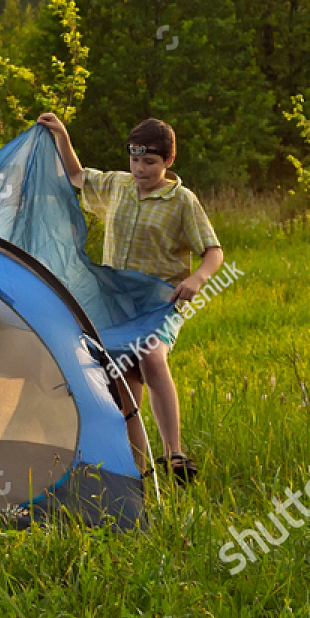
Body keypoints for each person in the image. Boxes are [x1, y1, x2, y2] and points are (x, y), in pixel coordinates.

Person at [36, 112, 224, 482]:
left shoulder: (182, 201)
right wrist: (61, 134)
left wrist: (199, 279)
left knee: (152, 358)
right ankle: (137, 470)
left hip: (159, 300)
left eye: (150, 162)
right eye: (135, 160)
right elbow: (76, 177)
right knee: (122, 376)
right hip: (116, 301)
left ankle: (175, 454)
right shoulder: (118, 186)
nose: (140, 169)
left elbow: (213, 251)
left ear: (169, 161)